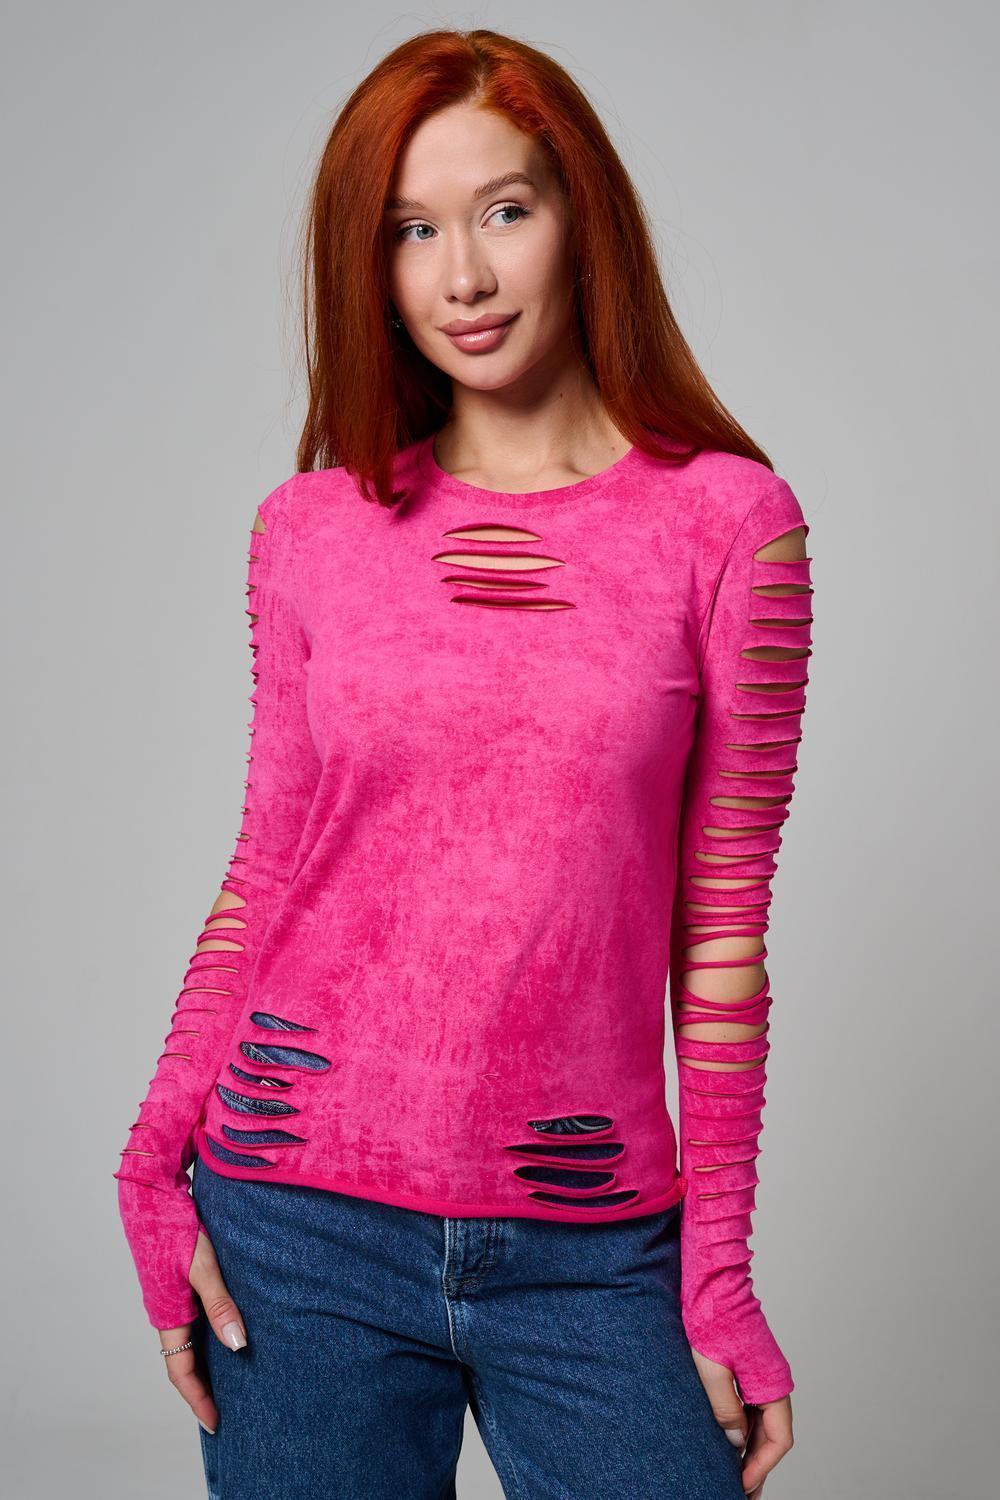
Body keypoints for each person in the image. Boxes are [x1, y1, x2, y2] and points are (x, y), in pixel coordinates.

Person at [114, 27, 814, 1500]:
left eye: (504, 210)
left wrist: (717, 1275)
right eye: (412, 232)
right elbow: (268, 869)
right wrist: (149, 1163)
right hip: (294, 1228)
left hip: (592, 1243)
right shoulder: (310, 531)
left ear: (582, 216)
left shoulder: (729, 528)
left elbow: (723, 933)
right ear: (369, 266)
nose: (466, 278)